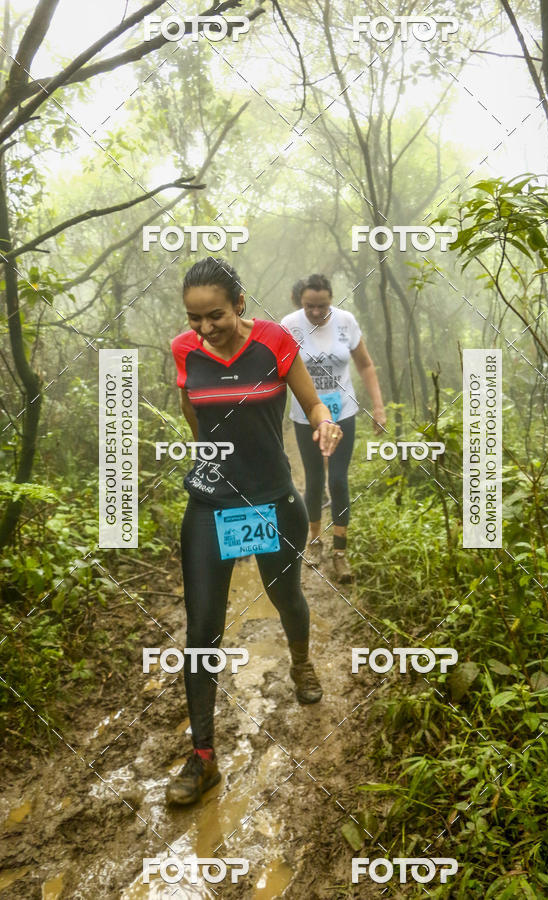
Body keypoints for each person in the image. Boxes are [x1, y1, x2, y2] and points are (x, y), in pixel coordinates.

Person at [166, 257, 343, 806]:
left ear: (239, 303)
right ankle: (202, 759)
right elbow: (196, 420)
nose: (204, 328)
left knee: (285, 596)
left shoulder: (274, 342)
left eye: (215, 315)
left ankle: (301, 662)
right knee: (201, 629)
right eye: (195, 319)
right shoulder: (184, 349)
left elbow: (311, 401)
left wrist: (323, 422)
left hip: (269, 501)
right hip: (210, 503)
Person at [281, 274, 386, 583]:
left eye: (322, 306)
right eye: (310, 306)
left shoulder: (345, 322)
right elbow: (279, 371)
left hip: (344, 412)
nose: (316, 312)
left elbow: (365, 364)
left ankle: (340, 552)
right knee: (313, 482)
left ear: (331, 300)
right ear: (301, 301)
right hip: (306, 415)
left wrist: (378, 407)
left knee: (338, 481)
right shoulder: (290, 324)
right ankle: (314, 541)